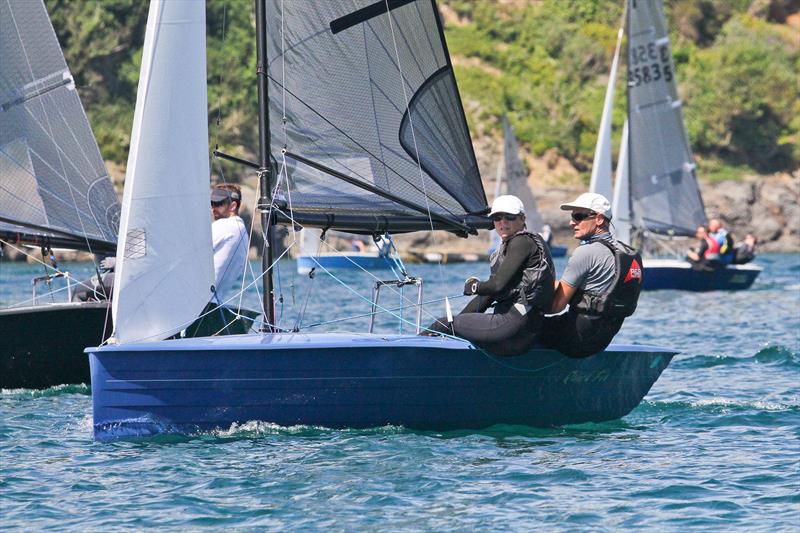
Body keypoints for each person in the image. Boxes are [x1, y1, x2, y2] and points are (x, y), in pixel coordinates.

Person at [422, 195, 555, 356]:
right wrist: (459, 322)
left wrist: (473, 286)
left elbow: (496, 285)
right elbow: (489, 295)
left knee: (440, 324)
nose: (503, 223)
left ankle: (413, 353)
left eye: (510, 217)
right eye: (497, 218)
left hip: (511, 328)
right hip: (523, 332)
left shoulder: (522, 242)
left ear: (522, 219)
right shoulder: (515, 246)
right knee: (450, 324)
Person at [540, 193, 643, 358]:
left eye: (578, 216)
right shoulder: (628, 253)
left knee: (520, 327)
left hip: (575, 339)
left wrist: (523, 306)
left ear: (599, 219)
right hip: (601, 340)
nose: (572, 222)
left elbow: (556, 307)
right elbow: (594, 286)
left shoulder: (586, 252)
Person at [210, 183, 249, 303]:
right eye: (212, 204)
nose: (213, 209)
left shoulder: (223, 225)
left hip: (196, 305)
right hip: (214, 303)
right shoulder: (243, 232)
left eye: (219, 204)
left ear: (233, 206)